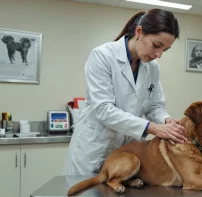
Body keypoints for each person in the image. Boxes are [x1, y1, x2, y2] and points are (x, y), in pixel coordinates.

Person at [62, 8, 187, 176]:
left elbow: (154, 105)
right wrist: (153, 128)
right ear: (139, 32)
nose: (158, 55)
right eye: (156, 45)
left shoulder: (152, 68)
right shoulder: (102, 56)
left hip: (126, 153)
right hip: (94, 148)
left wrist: (166, 120)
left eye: (164, 50)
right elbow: (103, 109)